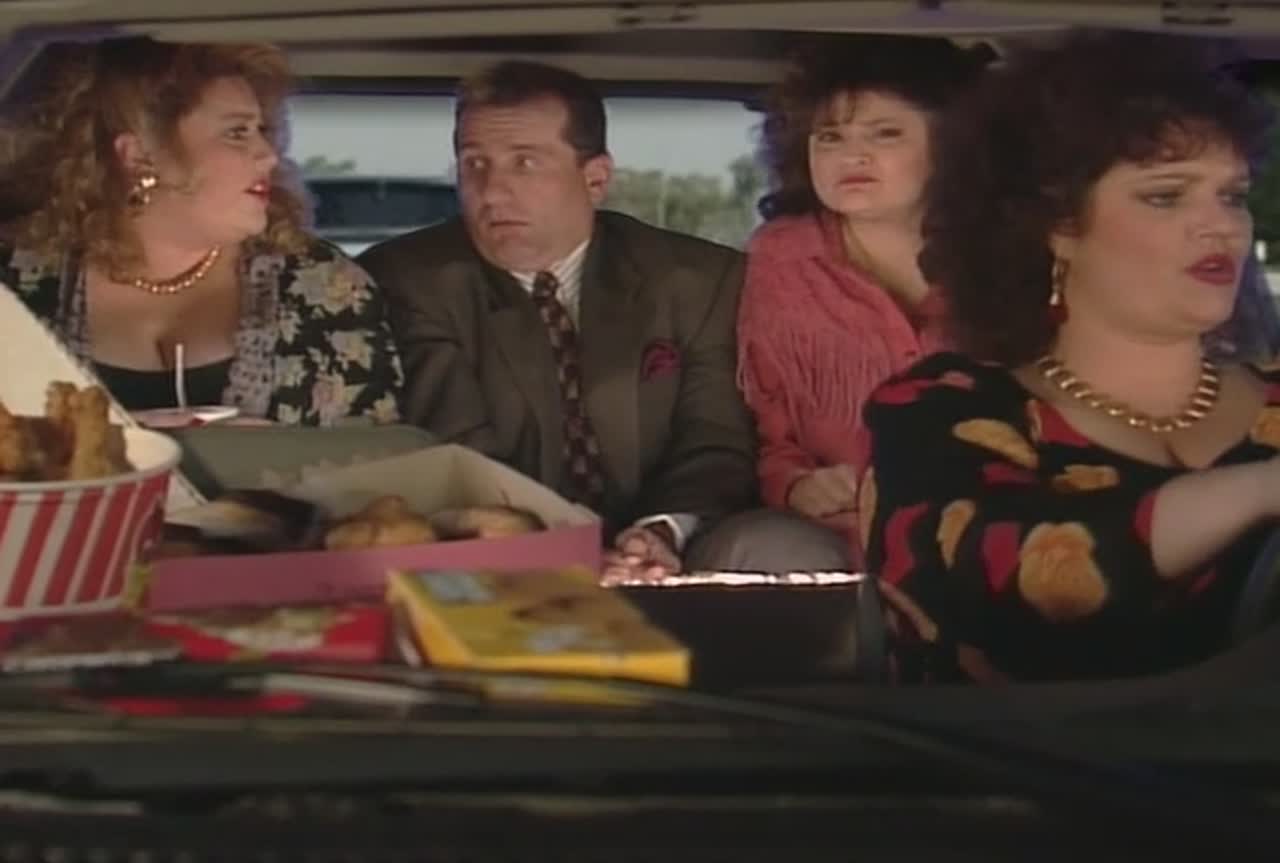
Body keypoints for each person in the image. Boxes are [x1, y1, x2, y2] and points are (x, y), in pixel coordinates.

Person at [860, 29, 1280, 683]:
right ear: (1055, 225)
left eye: (1231, 195)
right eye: (1166, 195)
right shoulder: (937, 408)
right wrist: (1260, 490)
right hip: (1019, 750)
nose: (1222, 224)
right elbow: (985, 584)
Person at [358, 61, 771, 577]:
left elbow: (713, 442)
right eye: (474, 164)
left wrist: (659, 533)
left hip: (677, 546)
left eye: (525, 163)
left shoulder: (698, 280)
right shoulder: (409, 279)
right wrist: (560, 548)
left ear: (595, 179)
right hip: (493, 551)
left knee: (771, 547)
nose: (492, 192)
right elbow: (457, 451)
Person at [0, 38, 403, 424]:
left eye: (262, 130)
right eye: (237, 132)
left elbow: (377, 454)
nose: (268, 155)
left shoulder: (324, 287)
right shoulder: (17, 281)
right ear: (139, 155)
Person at [737, 37, 990, 566]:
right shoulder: (781, 261)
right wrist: (796, 484)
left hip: (998, 528)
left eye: (885, 133)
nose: (852, 156)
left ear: (952, 144)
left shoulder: (1013, 256)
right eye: (830, 137)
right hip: (840, 535)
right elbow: (765, 419)